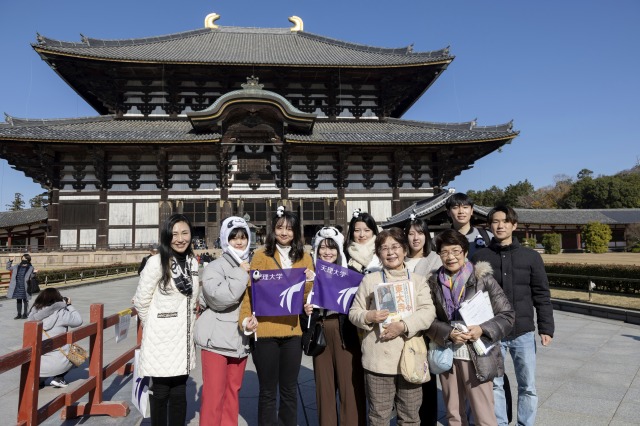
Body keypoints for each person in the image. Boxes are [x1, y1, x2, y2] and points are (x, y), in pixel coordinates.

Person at [472, 206, 555, 426]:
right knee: (496, 383)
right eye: (495, 222)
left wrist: (546, 328)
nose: (500, 225)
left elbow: (541, 294)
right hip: (492, 332)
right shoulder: (480, 257)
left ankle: (525, 423)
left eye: (505, 221)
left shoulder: (531, 257)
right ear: (489, 226)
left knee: (527, 384)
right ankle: (499, 423)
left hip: (523, 332)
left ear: (514, 225)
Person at [426, 229, 514, 426]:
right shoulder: (433, 282)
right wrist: (448, 333)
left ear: (465, 252)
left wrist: (482, 329)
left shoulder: (483, 279)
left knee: (483, 414)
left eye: (456, 251)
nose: (450, 257)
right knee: (453, 413)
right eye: (444, 252)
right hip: (448, 353)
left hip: (478, 353)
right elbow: (428, 320)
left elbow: (507, 315)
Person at [349, 228, 436, 425]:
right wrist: (369, 315)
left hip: (410, 357)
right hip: (378, 359)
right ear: (378, 254)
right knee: (379, 416)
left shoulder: (418, 281)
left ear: (405, 250)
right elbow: (354, 313)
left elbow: (428, 312)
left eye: (395, 246)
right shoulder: (370, 280)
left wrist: (403, 325)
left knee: (411, 417)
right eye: (384, 248)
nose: (391, 252)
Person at [239, 206, 314, 426]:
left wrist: (311, 281)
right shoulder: (262, 255)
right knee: (268, 391)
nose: (284, 233)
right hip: (265, 331)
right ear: (273, 230)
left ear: (296, 232)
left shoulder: (305, 257)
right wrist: (245, 319)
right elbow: (249, 292)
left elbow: (306, 298)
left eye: (289, 229)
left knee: (290, 389)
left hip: (292, 332)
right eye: (280, 228)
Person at [134, 213, 200, 426]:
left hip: (183, 337)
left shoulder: (193, 262)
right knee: (161, 392)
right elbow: (141, 301)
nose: (180, 239)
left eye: (185, 233)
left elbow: (193, 300)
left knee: (180, 392)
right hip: (161, 339)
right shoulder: (156, 262)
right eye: (174, 234)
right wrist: (155, 324)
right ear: (166, 236)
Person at [195, 216, 256, 426]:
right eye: (233, 238)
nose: (239, 242)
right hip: (216, 341)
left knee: (232, 394)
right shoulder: (215, 266)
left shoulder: (252, 264)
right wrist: (241, 274)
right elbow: (220, 299)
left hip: (240, 339)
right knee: (213, 396)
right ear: (224, 240)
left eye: (243, 237)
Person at [302, 226, 367, 426]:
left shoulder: (351, 274)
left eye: (332, 248)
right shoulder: (308, 274)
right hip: (320, 331)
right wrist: (305, 309)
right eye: (322, 247)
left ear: (339, 250)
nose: (327, 252)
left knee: (350, 385)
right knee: (324, 388)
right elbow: (296, 307)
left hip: (344, 331)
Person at [403, 217, 442, 426]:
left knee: (424, 377)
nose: (415, 237)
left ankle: (428, 421)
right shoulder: (400, 258)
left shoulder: (435, 259)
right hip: (401, 325)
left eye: (420, 232)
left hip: (425, 327)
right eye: (411, 233)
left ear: (426, 236)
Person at [28, 288, 83, 388]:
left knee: (45, 351)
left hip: (38, 366)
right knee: (80, 353)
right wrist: (69, 305)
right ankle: (59, 378)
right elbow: (78, 321)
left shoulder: (33, 316)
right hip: (59, 363)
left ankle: (40, 379)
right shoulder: (61, 313)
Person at [445, 193, 493, 258]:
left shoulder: (487, 236)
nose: (461, 211)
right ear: (448, 212)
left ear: (471, 211)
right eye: (455, 207)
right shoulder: (442, 239)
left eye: (465, 207)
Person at [343, 208, 382, 274]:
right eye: (357, 230)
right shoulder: (344, 254)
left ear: (373, 232)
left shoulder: (381, 252)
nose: (362, 235)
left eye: (367, 230)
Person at [7, 254, 37, 319]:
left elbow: (32, 276)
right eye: (22, 258)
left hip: (25, 286)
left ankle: (25, 314)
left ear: (28, 260)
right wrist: (10, 261)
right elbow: (8, 268)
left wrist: (34, 273)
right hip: (17, 286)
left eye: (25, 259)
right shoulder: (17, 266)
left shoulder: (30, 267)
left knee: (25, 301)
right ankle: (19, 314)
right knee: (18, 300)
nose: (23, 260)